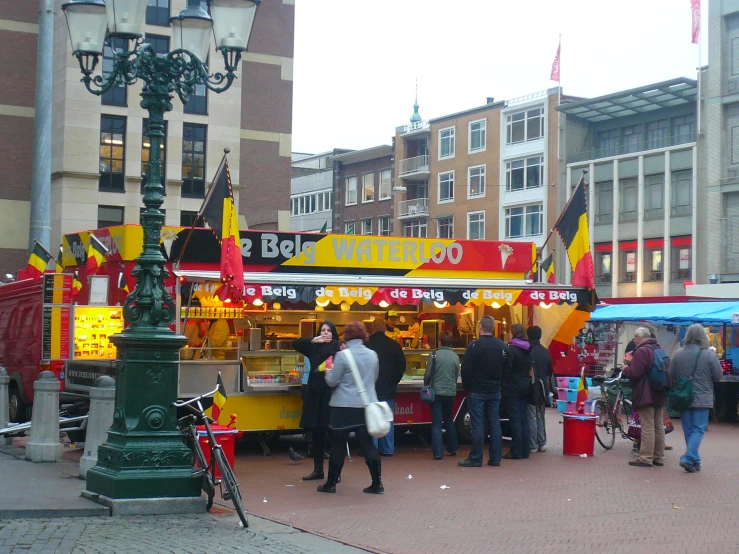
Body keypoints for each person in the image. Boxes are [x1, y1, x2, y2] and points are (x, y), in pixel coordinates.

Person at [320, 321, 383, 494]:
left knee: (338, 445)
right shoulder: (373, 355)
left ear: (346, 336)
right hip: (365, 405)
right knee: (368, 445)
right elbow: (374, 379)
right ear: (364, 335)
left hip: (343, 407)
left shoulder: (343, 356)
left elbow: (332, 381)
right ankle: (377, 483)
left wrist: (328, 370)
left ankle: (331, 483)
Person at [668, 323, 723, 473]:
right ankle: (688, 457)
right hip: (702, 397)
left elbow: (671, 374)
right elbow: (718, 377)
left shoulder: (679, 354)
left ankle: (695, 460)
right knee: (698, 429)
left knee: (688, 428)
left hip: (684, 397)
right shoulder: (709, 355)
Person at [292, 321, 341, 482]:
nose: (325, 333)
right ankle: (318, 469)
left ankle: (336, 472)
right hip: (314, 394)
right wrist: (314, 340)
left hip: (330, 394)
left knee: (333, 435)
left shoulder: (338, 348)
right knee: (316, 434)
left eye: (328, 330)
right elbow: (296, 343)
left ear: (333, 333)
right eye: (323, 330)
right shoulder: (313, 347)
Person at [458, 315, 509, 468]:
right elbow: (507, 369)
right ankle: (495, 457)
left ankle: (476, 457)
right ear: (493, 328)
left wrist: (469, 387)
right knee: (494, 423)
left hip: (477, 390)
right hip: (494, 389)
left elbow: (465, 370)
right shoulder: (503, 347)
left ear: (480, 327)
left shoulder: (474, 346)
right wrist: (501, 384)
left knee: (478, 424)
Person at [622, 327, 667, 468]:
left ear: (639, 337)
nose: (635, 343)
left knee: (647, 425)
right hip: (659, 391)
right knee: (659, 425)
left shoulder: (642, 351)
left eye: (635, 340)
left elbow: (635, 373)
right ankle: (658, 457)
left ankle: (646, 457)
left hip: (646, 393)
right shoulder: (658, 348)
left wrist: (626, 368)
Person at [366, 318, 406, 456]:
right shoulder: (394, 345)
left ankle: (372, 449)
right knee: (387, 419)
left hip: (371, 390)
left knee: (372, 420)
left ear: (372, 328)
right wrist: (394, 381)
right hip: (388, 390)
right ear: (384, 328)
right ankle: (388, 449)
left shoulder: (367, 345)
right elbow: (402, 365)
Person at [425, 331, 460, 460]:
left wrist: (426, 384)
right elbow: (456, 374)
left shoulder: (434, 355)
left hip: (436, 392)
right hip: (450, 392)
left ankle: (438, 453)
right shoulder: (455, 356)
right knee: (449, 420)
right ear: (451, 342)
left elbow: (428, 375)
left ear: (440, 342)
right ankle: (453, 448)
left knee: (437, 423)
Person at [503, 324, 532, 459]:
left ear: (513, 333)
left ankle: (516, 451)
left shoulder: (512, 350)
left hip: (513, 387)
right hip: (525, 385)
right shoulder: (528, 348)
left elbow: (507, 369)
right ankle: (525, 450)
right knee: (523, 419)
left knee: (515, 419)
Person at [527, 325, 552, 453]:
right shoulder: (545, 351)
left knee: (531, 415)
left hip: (532, 385)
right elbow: (550, 371)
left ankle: (533, 445)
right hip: (543, 386)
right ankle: (542, 442)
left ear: (528, 335)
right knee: (539, 415)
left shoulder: (528, 350)